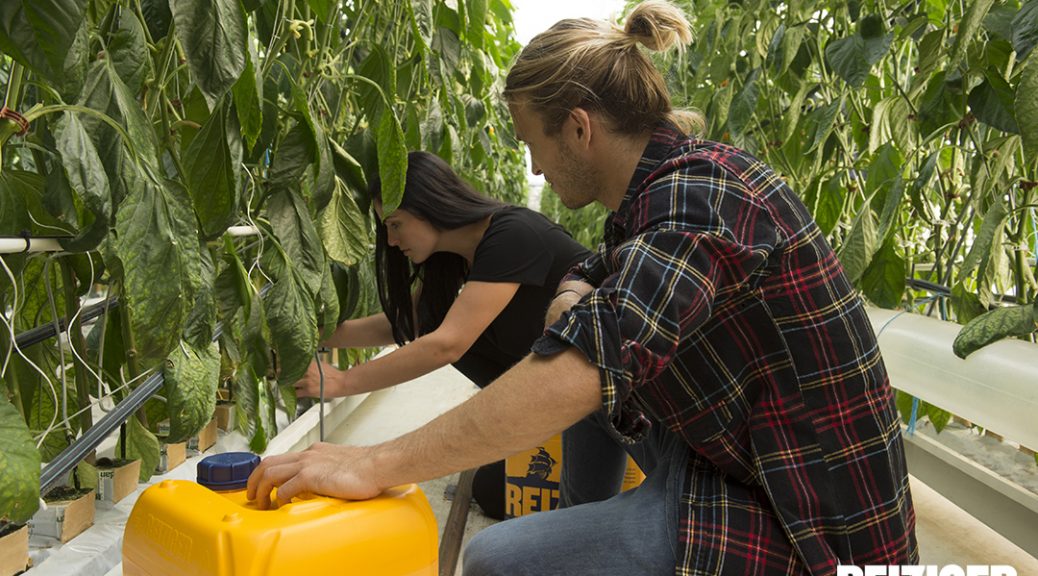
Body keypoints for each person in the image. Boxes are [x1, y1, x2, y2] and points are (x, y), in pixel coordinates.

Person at [248, 1, 918, 573]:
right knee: (578, 379)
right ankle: (587, 518)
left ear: (578, 126)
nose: (534, 165)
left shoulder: (700, 195)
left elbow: (581, 362)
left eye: (531, 142)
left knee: (496, 560)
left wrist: (375, 462)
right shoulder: (661, 192)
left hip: (796, 510)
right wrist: (574, 292)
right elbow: (594, 272)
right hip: (731, 451)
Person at [290, 150, 598, 518]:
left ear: (429, 205)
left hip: (595, 400)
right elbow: (408, 324)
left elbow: (445, 345)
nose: (390, 241)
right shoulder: (455, 256)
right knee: (492, 489)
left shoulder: (511, 233)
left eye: (395, 224)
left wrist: (340, 383)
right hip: (552, 396)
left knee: (495, 493)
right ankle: (549, 442)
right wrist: (320, 336)